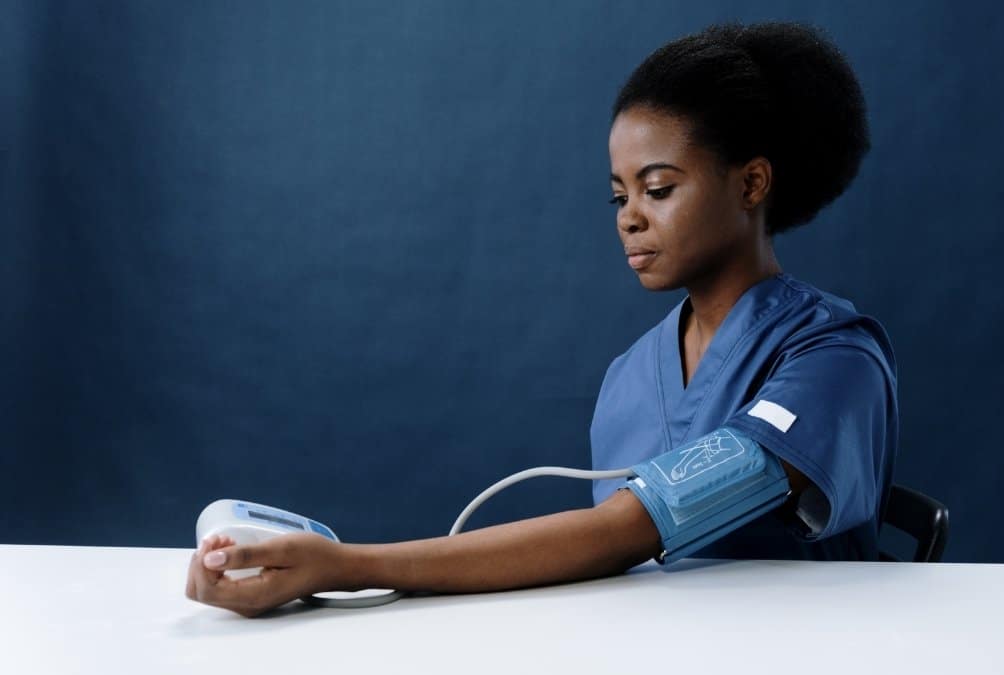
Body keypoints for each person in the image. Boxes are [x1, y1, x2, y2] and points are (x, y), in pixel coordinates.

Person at [186, 21, 897, 617]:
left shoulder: (834, 363)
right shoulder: (630, 376)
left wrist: (344, 566)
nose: (630, 219)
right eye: (618, 196)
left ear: (751, 183)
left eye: (658, 187)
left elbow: (625, 531)